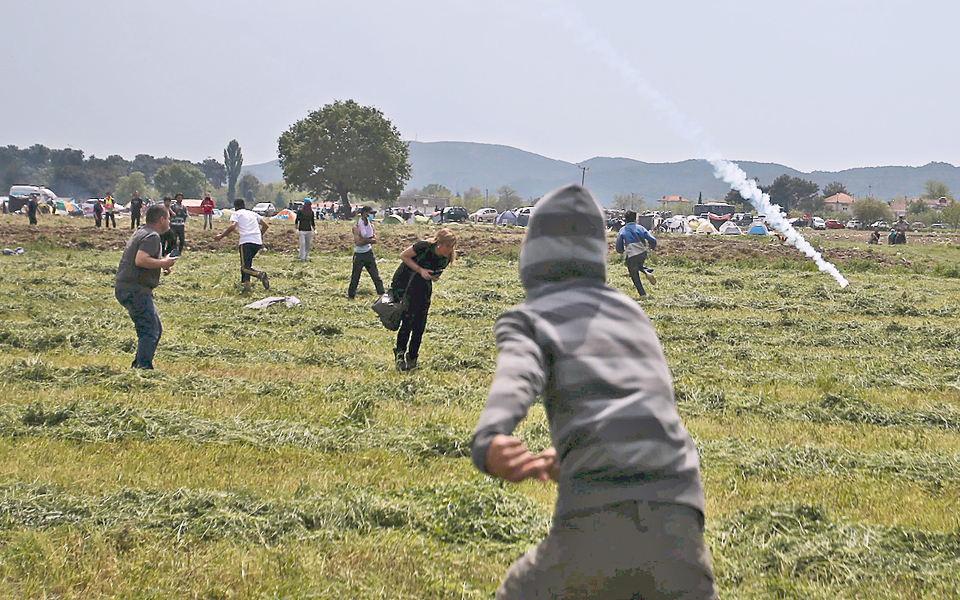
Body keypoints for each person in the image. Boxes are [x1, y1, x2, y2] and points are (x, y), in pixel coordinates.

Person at [470, 184, 717, 600]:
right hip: (679, 505)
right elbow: (643, 398)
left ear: (531, 256)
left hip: (597, 510)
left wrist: (490, 436)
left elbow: (517, 377)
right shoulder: (631, 313)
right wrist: (578, 450)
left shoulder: (528, 318)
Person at [114, 204, 178, 369]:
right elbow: (140, 260)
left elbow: (144, 259)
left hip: (128, 287)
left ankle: (140, 364)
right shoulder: (152, 236)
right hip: (135, 289)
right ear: (162, 219)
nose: (169, 222)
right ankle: (143, 368)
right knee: (150, 330)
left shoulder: (142, 231)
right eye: (168, 218)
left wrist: (161, 265)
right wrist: (163, 262)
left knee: (153, 329)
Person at [389, 228, 457, 371]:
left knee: (420, 323)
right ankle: (399, 355)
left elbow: (434, 271)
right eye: (448, 246)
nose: (451, 249)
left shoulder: (446, 257)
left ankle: (412, 357)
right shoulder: (424, 246)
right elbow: (404, 256)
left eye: (452, 246)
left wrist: (434, 276)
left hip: (423, 286)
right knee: (407, 320)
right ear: (440, 244)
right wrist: (420, 270)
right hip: (406, 282)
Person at [215, 199, 269, 293]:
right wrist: (259, 235)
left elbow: (232, 226)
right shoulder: (252, 213)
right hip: (257, 242)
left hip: (246, 241)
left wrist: (221, 236)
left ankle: (259, 274)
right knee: (247, 265)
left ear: (235, 207)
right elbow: (266, 226)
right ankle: (247, 286)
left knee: (244, 267)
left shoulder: (237, 214)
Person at [615, 209, 658, 297]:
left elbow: (618, 244)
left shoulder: (623, 230)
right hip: (642, 253)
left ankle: (642, 294)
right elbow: (653, 239)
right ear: (635, 219)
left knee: (634, 274)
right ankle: (646, 271)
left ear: (625, 219)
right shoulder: (641, 228)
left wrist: (621, 251)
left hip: (631, 253)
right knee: (638, 264)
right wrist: (651, 248)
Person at [347, 205, 385, 299]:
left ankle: (382, 294)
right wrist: (368, 240)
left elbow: (374, 239)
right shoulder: (356, 227)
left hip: (368, 252)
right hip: (359, 254)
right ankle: (351, 296)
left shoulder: (371, 226)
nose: (371, 215)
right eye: (370, 213)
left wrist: (366, 240)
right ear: (364, 213)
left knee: (376, 276)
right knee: (355, 277)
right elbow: (358, 242)